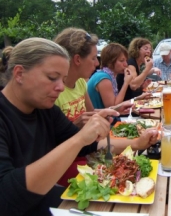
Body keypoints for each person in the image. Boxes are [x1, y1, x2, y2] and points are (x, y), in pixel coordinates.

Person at [0, 37, 119, 215]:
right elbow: (7, 196)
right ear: (19, 74)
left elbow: (88, 145)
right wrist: (79, 139)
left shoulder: (45, 109)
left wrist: (140, 143)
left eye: (62, 79)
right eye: (52, 78)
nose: (61, 88)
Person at [54, 29, 158, 186]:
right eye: (93, 58)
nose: (97, 63)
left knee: (135, 164)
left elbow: (91, 114)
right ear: (77, 59)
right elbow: (53, 140)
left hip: (90, 146)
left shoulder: (81, 82)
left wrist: (117, 107)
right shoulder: (55, 92)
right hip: (73, 159)